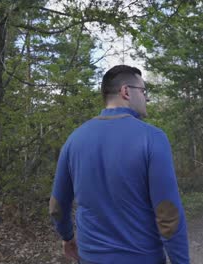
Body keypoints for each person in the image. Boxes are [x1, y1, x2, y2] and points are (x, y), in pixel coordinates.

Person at [49, 65, 190, 264]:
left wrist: (67, 236)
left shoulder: (74, 139)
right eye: (143, 91)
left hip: (90, 258)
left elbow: (57, 206)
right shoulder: (153, 138)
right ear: (126, 91)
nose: (146, 98)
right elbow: (168, 214)